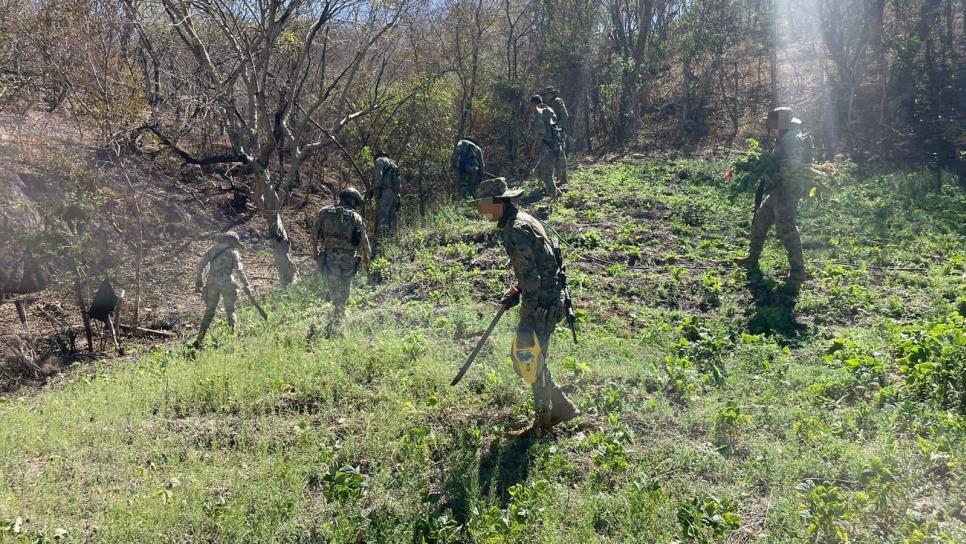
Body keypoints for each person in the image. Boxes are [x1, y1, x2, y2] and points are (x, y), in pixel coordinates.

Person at [476, 177, 579, 436]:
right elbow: (538, 266)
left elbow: (533, 278)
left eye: (485, 205)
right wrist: (517, 290)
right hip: (550, 295)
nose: (483, 211)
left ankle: (544, 424)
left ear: (498, 203)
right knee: (532, 357)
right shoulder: (524, 219)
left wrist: (527, 312)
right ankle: (562, 407)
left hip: (542, 303)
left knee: (528, 357)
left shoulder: (514, 230)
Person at [735, 107, 810, 282]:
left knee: (787, 228)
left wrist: (774, 169)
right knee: (761, 218)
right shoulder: (784, 135)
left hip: (787, 190)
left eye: (775, 125)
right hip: (777, 189)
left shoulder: (792, 138)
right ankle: (752, 257)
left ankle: (798, 271)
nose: (773, 129)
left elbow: (794, 164)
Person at [310, 188, 372, 330]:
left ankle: (337, 316)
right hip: (349, 257)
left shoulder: (324, 211)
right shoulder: (356, 217)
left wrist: (314, 250)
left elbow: (314, 232)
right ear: (352, 200)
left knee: (334, 283)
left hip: (330, 255)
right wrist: (366, 256)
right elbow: (364, 239)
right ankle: (339, 317)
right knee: (345, 286)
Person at [193, 231, 253, 348]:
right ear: (231, 241)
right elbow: (239, 271)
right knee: (231, 310)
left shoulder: (212, 250)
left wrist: (198, 280)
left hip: (212, 283)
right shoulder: (233, 253)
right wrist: (246, 285)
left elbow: (199, 265)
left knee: (209, 311)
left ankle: (199, 339)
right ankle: (232, 339)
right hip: (227, 283)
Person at [528, 95, 567, 199]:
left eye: (530, 105)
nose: (529, 107)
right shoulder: (548, 111)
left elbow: (540, 133)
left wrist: (534, 148)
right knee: (543, 172)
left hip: (547, 148)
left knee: (547, 175)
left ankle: (554, 198)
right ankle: (556, 192)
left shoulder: (539, 116)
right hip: (553, 145)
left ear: (534, 104)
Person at [540, 86, 570, 178]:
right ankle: (559, 176)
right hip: (553, 132)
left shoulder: (557, 101)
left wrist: (559, 128)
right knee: (555, 154)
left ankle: (563, 177)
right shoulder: (549, 104)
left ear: (551, 94)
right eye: (543, 95)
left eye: (545, 95)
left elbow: (564, 116)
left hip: (559, 131)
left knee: (560, 154)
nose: (544, 97)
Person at [371, 155, 401, 236]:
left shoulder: (379, 160)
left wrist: (376, 189)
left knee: (383, 216)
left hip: (385, 192)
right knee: (392, 217)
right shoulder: (393, 164)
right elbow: (398, 183)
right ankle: (393, 238)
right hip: (394, 194)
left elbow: (378, 176)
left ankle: (382, 239)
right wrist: (397, 196)